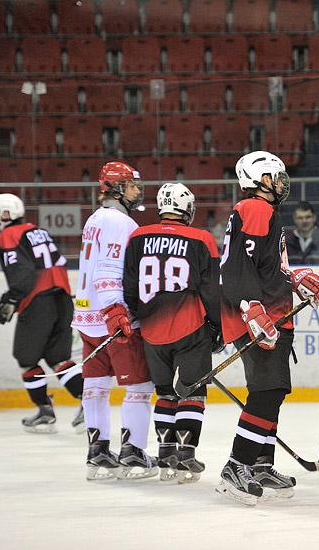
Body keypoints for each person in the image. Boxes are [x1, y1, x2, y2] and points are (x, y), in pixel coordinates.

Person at [215, 150, 319, 506]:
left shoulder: (263, 212)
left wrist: (292, 277)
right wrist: (251, 308)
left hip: (268, 313)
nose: (282, 182)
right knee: (266, 391)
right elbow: (237, 268)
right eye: (276, 176)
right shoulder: (255, 208)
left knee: (274, 389)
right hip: (259, 317)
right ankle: (237, 465)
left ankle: (260, 463)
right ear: (260, 180)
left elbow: (263, 268)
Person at [123, 183, 220, 483]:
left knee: (164, 392)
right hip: (190, 327)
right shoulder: (202, 238)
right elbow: (211, 290)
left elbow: (129, 286)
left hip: (152, 330)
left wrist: (141, 315)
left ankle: (166, 455)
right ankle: (186, 455)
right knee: (192, 391)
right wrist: (217, 327)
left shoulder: (138, 236)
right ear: (188, 209)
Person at [72, 162, 157, 481]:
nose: (137, 191)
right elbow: (108, 271)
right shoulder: (120, 222)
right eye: (132, 186)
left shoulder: (95, 218)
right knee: (139, 386)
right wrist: (116, 312)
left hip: (86, 317)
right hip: (113, 319)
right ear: (116, 188)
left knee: (95, 386)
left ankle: (97, 454)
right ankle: (133, 453)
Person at [0, 193, 83, 434]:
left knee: (26, 358)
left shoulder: (8, 234)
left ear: (6, 213)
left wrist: (11, 297)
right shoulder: (37, 230)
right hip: (62, 298)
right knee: (58, 357)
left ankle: (45, 411)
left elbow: (22, 271)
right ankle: (89, 404)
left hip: (39, 302)